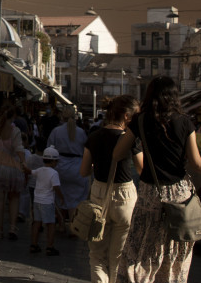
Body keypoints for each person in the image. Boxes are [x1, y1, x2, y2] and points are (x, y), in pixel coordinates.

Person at [113, 76, 201, 283]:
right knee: (174, 249)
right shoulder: (184, 122)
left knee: (141, 248)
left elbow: (118, 153)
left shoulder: (140, 120)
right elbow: (198, 165)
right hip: (179, 195)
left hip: (151, 194)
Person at [79, 95, 142, 283]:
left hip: (99, 194)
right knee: (118, 257)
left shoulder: (94, 137)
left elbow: (83, 171)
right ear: (126, 116)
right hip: (125, 196)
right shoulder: (130, 139)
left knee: (96, 255)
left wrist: (98, 164)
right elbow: (141, 169)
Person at [0, 103, 26, 240]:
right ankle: (13, 227)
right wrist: (23, 163)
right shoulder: (15, 130)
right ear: (13, 116)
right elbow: (19, 148)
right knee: (14, 198)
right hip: (12, 167)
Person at [46, 104, 89, 227]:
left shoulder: (56, 131)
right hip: (77, 168)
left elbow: (49, 149)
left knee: (60, 197)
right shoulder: (81, 132)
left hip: (60, 168)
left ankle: (60, 224)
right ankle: (73, 225)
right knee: (74, 200)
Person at [29, 146, 64, 256]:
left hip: (37, 200)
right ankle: (50, 246)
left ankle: (34, 245)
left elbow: (31, 172)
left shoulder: (39, 170)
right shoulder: (54, 173)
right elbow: (56, 187)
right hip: (47, 202)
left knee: (37, 223)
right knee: (51, 224)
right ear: (54, 161)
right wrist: (61, 197)